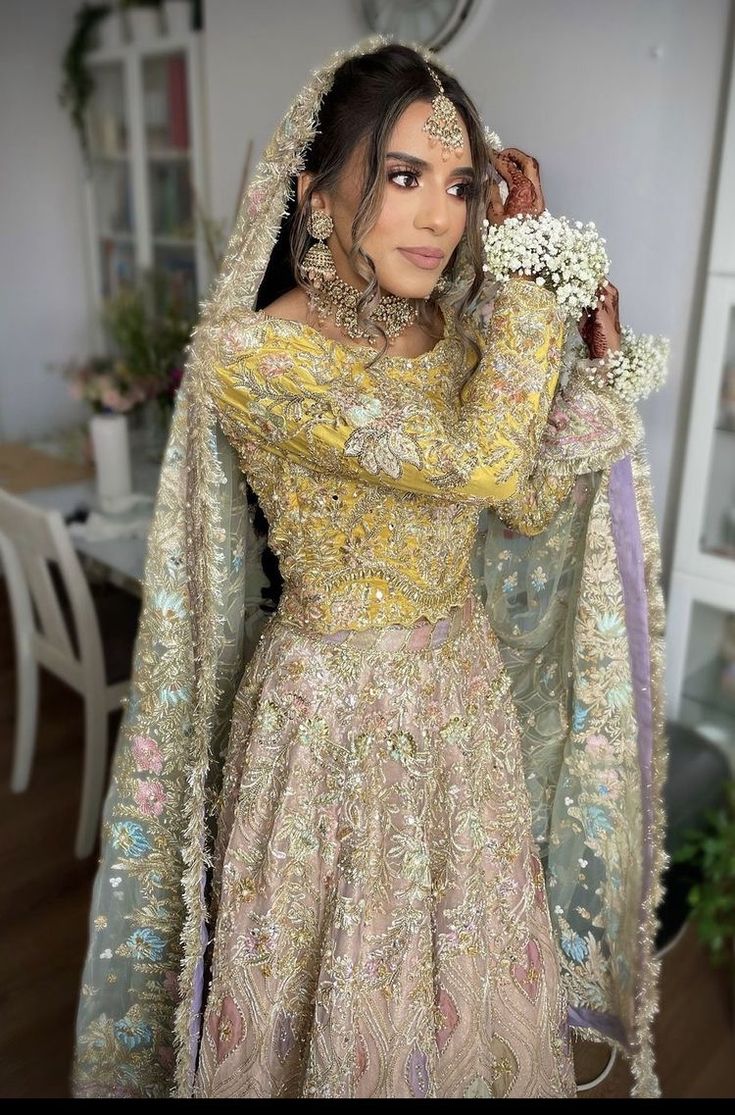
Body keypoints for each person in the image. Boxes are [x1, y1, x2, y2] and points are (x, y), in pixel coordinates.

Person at [72, 39, 667, 1099]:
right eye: (402, 177)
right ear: (313, 193)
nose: (442, 218)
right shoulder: (254, 359)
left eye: (459, 185)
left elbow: (520, 499)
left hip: (463, 715)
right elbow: (476, 462)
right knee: (344, 1014)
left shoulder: (448, 335)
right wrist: (528, 293)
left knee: (468, 998)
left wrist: (594, 363)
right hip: (330, 730)